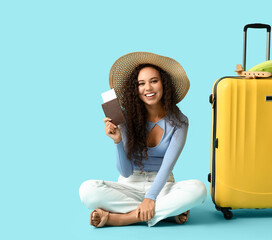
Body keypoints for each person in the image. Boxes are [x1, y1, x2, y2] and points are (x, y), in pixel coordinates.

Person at [79, 52, 207, 227]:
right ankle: (166, 213)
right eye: (141, 83)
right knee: (87, 190)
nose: (148, 88)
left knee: (199, 190)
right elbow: (125, 172)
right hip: (129, 185)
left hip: (162, 186)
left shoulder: (180, 121)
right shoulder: (126, 118)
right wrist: (117, 141)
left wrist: (151, 197)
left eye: (154, 81)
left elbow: (167, 165)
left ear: (164, 84)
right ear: (135, 89)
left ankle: (123, 218)